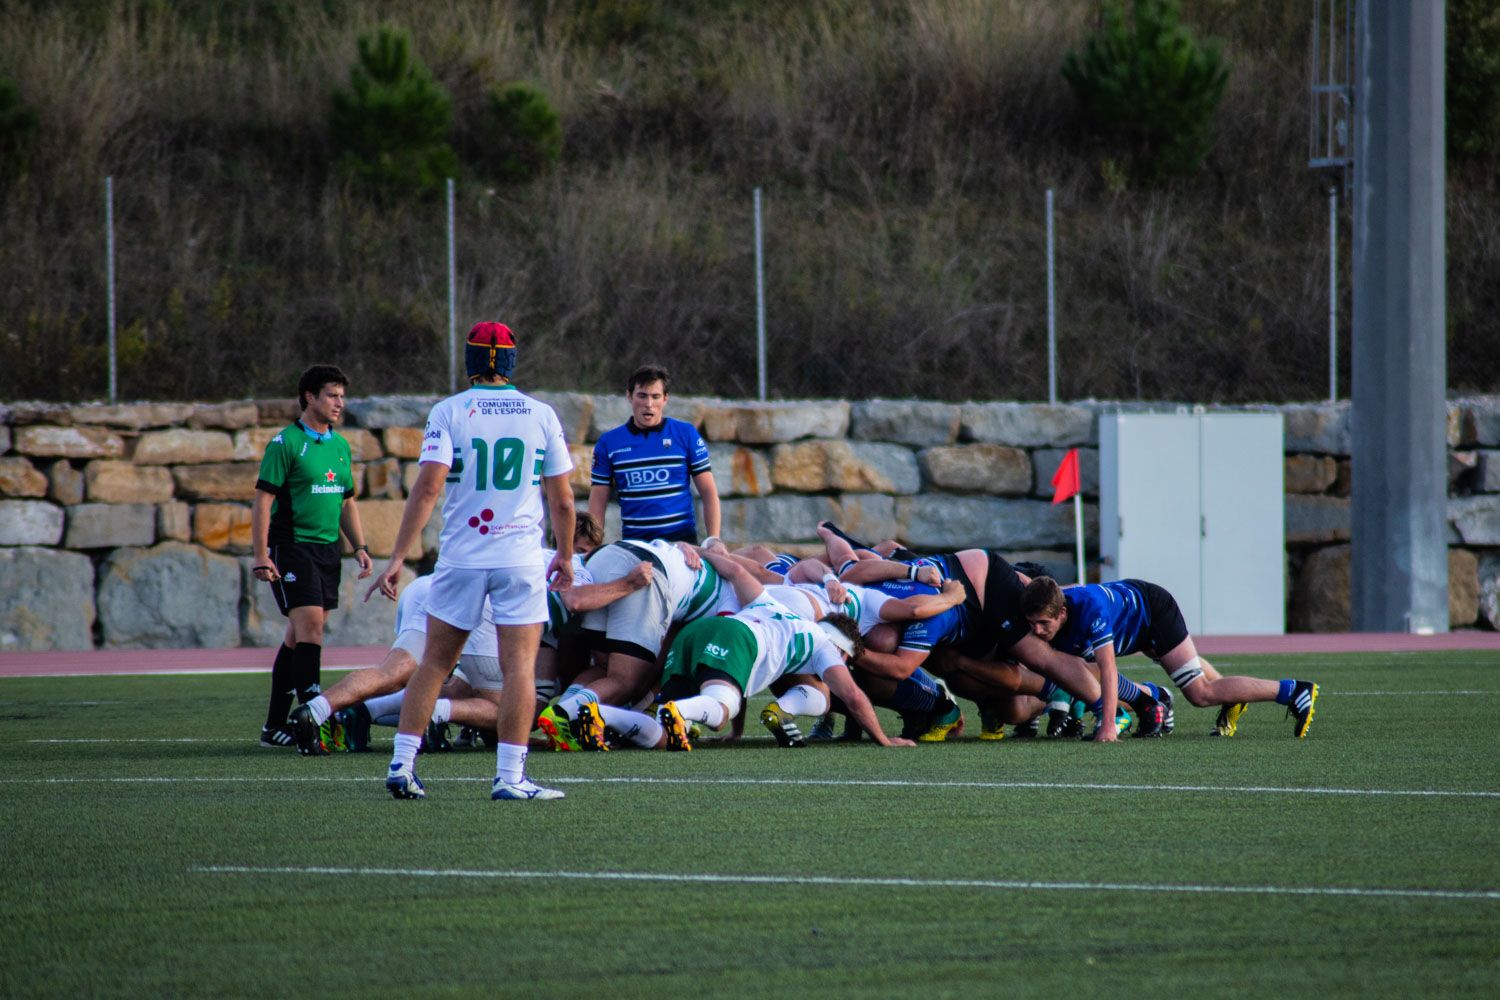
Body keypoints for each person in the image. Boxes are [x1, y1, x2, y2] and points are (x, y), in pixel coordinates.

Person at [365, 321, 576, 801]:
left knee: (434, 664)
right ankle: (509, 777)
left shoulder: (449, 411)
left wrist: (398, 556)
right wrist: (564, 554)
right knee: (520, 669)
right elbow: (563, 502)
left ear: (472, 360)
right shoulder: (541, 414)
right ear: (510, 361)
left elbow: (428, 487)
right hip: (520, 559)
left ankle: (402, 764)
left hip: (462, 557)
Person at [291, 514, 645, 755]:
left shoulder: (529, 549)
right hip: (483, 610)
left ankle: (324, 710)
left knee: (399, 673)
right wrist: (628, 583)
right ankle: (438, 714)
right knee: (507, 707)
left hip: (433, 586)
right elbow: (576, 600)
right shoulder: (578, 567)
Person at [570, 548, 915, 752]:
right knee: (719, 710)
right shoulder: (823, 644)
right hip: (738, 640)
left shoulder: (775, 603)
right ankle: (679, 711)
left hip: (698, 631)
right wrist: (884, 739)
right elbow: (853, 697)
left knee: (664, 738)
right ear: (844, 649)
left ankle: (602, 714)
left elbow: (734, 568)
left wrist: (694, 549)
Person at [1020, 576, 1320, 738]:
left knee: (1200, 693)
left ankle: (1293, 691)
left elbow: (1108, 669)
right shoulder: (1050, 606)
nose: (1037, 630)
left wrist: (1108, 725)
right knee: (1082, 665)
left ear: (1062, 613)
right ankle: (1230, 697)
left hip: (1154, 613)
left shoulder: (1091, 611)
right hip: (1133, 622)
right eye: (1032, 623)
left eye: (1044, 624)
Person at [251, 364, 372, 751]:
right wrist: (260, 554)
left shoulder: (339, 446)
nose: (340, 403)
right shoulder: (284, 444)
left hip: (326, 551)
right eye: (332, 395)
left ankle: (274, 726)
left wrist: (360, 547)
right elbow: (262, 502)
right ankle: (313, 719)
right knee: (312, 627)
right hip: (292, 547)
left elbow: (346, 503)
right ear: (309, 397)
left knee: (297, 637)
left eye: (342, 396)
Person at [589, 364, 720, 543]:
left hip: (682, 543)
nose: (648, 404)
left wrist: (713, 540)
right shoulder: (608, 443)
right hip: (636, 545)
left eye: (655, 396)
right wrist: (592, 546)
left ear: (665, 399)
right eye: (642, 396)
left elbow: (708, 491)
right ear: (629, 396)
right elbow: (597, 501)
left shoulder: (685, 434)